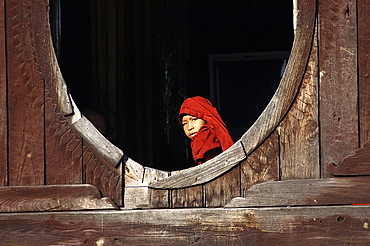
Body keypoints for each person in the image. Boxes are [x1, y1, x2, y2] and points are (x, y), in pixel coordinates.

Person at [179, 96, 234, 165]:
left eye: (194, 119)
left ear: (206, 119)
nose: (189, 127)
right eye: (185, 123)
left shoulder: (205, 136)